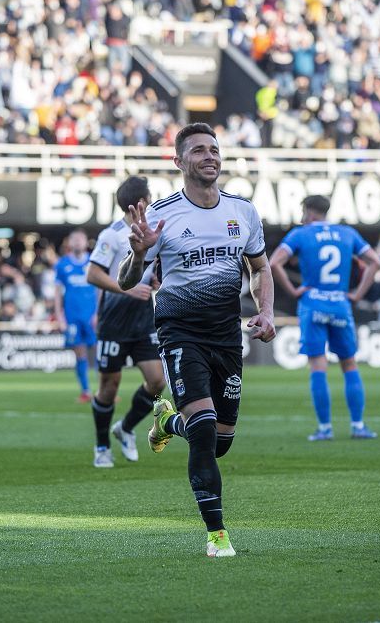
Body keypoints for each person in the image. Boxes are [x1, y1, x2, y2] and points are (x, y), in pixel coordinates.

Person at [118, 122, 276, 558]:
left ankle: (167, 423)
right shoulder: (162, 217)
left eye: (214, 149)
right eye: (199, 150)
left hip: (226, 336)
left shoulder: (243, 212)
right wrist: (137, 253)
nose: (210, 156)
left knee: (220, 443)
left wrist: (265, 311)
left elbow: (260, 268)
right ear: (179, 161)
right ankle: (217, 535)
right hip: (179, 332)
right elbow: (127, 279)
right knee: (205, 431)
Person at [269, 195, 380, 441]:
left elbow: (274, 263)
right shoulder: (347, 233)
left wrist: (292, 291)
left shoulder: (300, 234)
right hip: (340, 303)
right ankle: (358, 425)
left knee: (318, 366)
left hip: (312, 304)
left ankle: (325, 428)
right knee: (349, 364)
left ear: (309, 212)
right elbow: (374, 261)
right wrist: (358, 293)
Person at [85, 176, 166, 468]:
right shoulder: (112, 235)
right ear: (139, 203)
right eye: (150, 196)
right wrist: (128, 288)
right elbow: (93, 274)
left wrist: (153, 279)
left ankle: (126, 427)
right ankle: (102, 446)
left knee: (158, 381)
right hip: (114, 321)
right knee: (110, 386)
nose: (153, 200)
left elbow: (149, 269)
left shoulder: (150, 229)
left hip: (144, 318)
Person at [54, 229, 98, 404]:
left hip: (92, 316)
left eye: (81, 239)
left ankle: (104, 390)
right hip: (72, 317)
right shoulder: (62, 265)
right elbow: (57, 293)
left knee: (98, 352)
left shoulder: (94, 262)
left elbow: (100, 289)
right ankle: (86, 390)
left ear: (86, 242)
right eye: (75, 239)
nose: (78, 242)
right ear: (69, 243)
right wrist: (59, 316)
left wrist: (98, 312)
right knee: (79, 353)